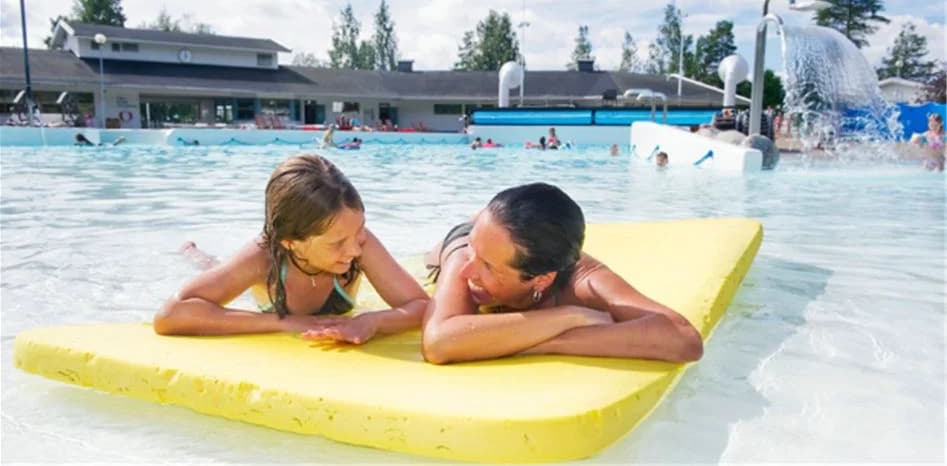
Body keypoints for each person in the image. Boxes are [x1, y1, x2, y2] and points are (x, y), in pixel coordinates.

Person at [154, 154, 429, 343]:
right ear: (290, 242)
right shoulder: (262, 258)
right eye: (337, 243)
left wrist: (373, 321)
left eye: (358, 231)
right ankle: (194, 253)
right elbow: (170, 315)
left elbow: (421, 306)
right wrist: (283, 322)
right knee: (215, 267)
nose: (355, 250)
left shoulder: (359, 241)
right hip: (262, 283)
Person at [420, 183, 703, 364]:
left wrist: (554, 341)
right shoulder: (466, 260)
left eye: (489, 268)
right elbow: (439, 343)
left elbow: (684, 338)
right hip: (462, 239)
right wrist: (570, 317)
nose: (470, 271)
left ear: (542, 279)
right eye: (477, 258)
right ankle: (478, 226)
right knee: (463, 248)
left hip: (505, 243)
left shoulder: (584, 278)